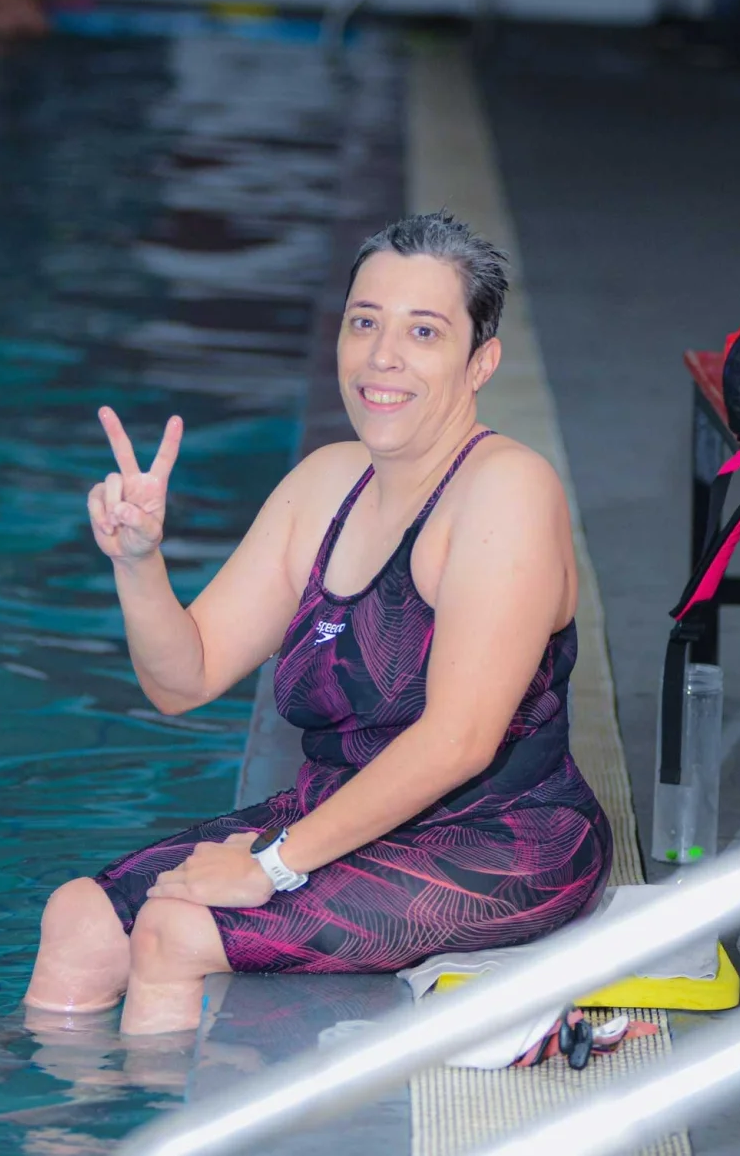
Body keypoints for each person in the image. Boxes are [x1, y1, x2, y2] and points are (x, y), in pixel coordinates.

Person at [31, 212, 612, 1036]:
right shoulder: (326, 484)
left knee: (172, 933)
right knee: (80, 918)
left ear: (480, 362)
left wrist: (272, 864)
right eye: (364, 322)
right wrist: (138, 561)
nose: (383, 355)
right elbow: (182, 677)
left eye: (423, 331)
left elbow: (459, 740)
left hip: (500, 840)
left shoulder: (506, 492)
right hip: (335, 818)